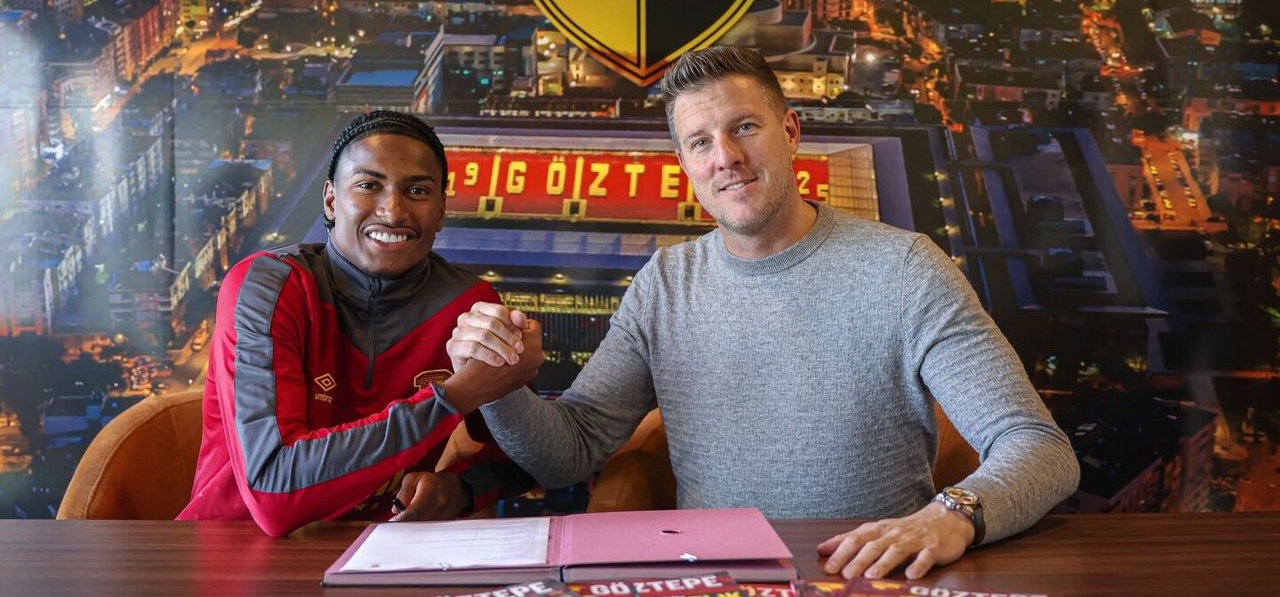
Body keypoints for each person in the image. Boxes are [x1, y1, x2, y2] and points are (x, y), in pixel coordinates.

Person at [446, 47, 1080, 579]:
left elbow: (1041, 449)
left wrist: (954, 516)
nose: (726, 156)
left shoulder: (905, 269)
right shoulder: (665, 284)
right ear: (685, 165)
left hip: (862, 579)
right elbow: (569, 452)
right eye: (701, 142)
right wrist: (495, 382)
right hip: (712, 581)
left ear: (791, 132)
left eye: (744, 127)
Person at [178, 110, 542, 537]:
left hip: (377, 555)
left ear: (442, 210)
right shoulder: (268, 287)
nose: (393, 211)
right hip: (232, 549)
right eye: (369, 185)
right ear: (331, 201)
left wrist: (458, 489)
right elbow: (274, 491)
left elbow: (524, 456)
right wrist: (452, 398)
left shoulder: (468, 306)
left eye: (418, 190)